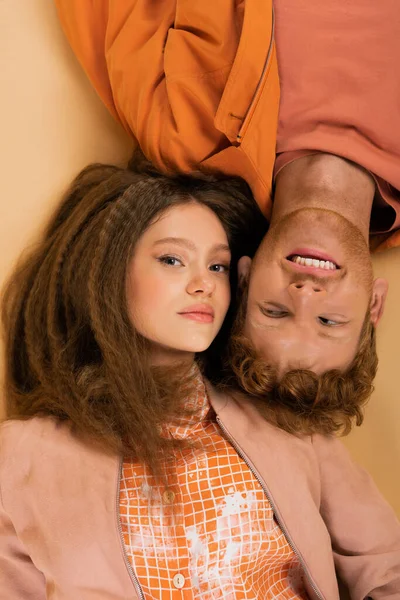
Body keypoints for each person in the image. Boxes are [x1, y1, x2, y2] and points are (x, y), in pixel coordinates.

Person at [1, 160, 400, 599]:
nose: (204, 285)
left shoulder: (285, 423)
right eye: (172, 259)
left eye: (217, 267)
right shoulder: (21, 461)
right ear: (107, 273)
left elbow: (389, 572)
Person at [53, 0, 398, 382]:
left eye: (275, 311)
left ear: (244, 279)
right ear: (374, 306)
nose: (303, 293)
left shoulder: (185, 135)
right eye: (328, 320)